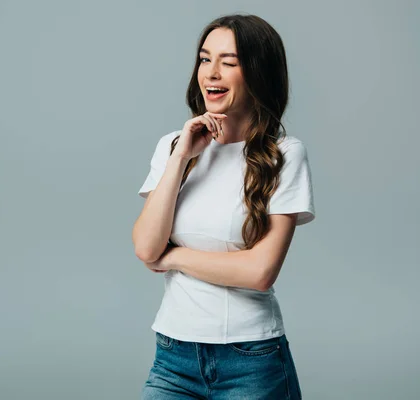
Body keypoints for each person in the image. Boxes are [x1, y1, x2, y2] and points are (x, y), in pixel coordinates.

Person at [132, 14, 315, 400]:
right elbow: (147, 248)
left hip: (251, 361)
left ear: (257, 74)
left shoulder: (284, 154)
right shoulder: (172, 145)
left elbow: (260, 271)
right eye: (204, 59)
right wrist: (181, 156)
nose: (211, 74)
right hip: (173, 356)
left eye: (229, 62)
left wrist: (175, 257)